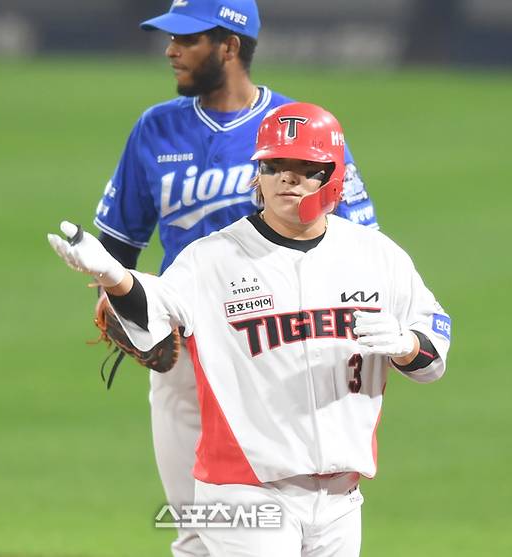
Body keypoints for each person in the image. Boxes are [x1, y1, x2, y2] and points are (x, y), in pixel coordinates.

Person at [48, 102, 451, 557]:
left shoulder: (376, 256)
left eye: (305, 167)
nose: (287, 178)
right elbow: (153, 318)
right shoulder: (211, 258)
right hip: (244, 492)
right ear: (256, 176)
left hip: (341, 498)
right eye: (274, 166)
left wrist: (407, 346)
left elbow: (433, 352)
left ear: (334, 176)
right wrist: (114, 278)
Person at [93, 1, 377, 555]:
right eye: (170, 39)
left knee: (282, 520)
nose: (171, 50)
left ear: (229, 45)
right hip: (185, 354)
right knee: (201, 532)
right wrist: (124, 304)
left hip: (276, 351)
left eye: (187, 40)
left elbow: (360, 239)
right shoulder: (155, 129)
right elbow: (117, 248)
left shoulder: (300, 126)